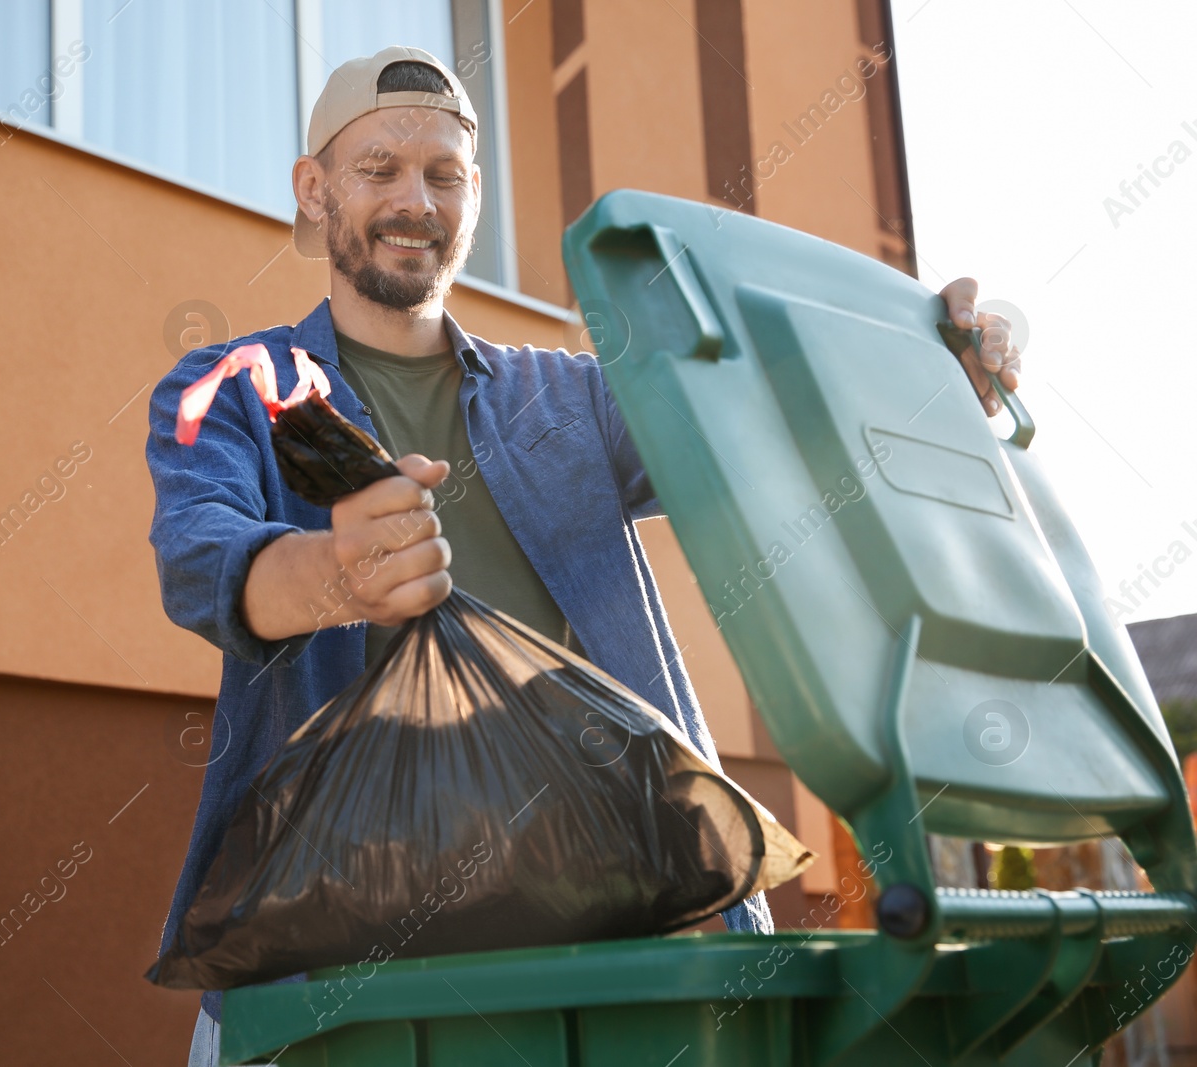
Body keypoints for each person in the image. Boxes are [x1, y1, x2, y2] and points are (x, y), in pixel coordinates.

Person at [145, 45, 1022, 1066]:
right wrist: (337, 575)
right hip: (328, 986)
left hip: (593, 970)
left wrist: (929, 363)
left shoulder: (577, 400)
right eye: (377, 168)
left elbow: (770, 415)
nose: (411, 201)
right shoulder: (238, 385)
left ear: (473, 195)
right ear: (314, 187)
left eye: (442, 174)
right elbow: (203, 559)